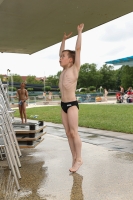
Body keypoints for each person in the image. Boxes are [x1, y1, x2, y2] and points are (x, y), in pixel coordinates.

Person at [59, 23, 84, 172]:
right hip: (63, 105)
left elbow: (78, 49)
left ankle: (79, 158)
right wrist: (63, 40)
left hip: (72, 104)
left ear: (70, 60)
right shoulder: (63, 70)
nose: (60, 58)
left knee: (74, 132)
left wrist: (79, 32)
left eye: (63, 56)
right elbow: (62, 51)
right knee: (68, 133)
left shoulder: (75, 68)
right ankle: (74, 157)